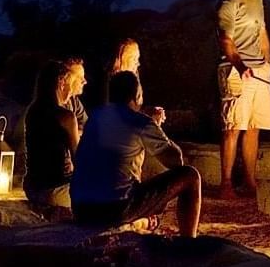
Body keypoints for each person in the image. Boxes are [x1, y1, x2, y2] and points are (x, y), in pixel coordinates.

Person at [71, 70, 201, 237]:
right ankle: (188, 241)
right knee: (190, 176)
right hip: (114, 208)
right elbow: (176, 162)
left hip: (81, 208)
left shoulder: (96, 118)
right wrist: (156, 127)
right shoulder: (140, 123)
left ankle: (137, 222)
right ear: (138, 96)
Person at [217, 0, 270, 198]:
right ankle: (227, 184)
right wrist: (241, 67)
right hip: (235, 71)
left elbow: (262, 32)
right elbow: (226, 41)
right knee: (233, 126)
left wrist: (268, 62)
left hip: (260, 69)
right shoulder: (228, 3)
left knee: (254, 126)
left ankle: (250, 182)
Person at [22, 59, 79, 215]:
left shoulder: (33, 111)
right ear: (61, 83)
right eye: (71, 83)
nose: (72, 90)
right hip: (56, 191)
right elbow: (80, 161)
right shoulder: (65, 116)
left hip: (32, 188)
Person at [62, 55, 88, 133]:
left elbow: (88, 126)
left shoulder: (74, 101)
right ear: (67, 79)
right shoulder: (52, 106)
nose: (85, 81)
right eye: (79, 77)